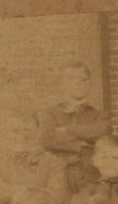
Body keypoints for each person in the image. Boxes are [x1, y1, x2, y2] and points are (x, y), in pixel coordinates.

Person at [37, 61, 111, 192]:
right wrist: (82, 145)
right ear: (62, 84)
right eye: (72, 79)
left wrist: (68, 130)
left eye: (84, 79)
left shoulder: (99, 115)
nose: (79, 83)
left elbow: (101, 133)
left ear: (89, 83)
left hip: (90, 178)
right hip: (59, 177)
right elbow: (47, 141)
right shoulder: (49, 114)